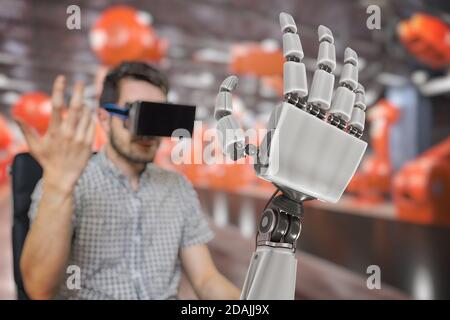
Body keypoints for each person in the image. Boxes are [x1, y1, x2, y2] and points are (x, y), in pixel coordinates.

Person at [18, 61, 240, 300]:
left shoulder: (177, 188)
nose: (146, 132)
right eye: (135, 114)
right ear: (104, 119)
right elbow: (39, 288)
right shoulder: (69, 182)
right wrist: (58, 187)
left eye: (156, 116)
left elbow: (205, 279)